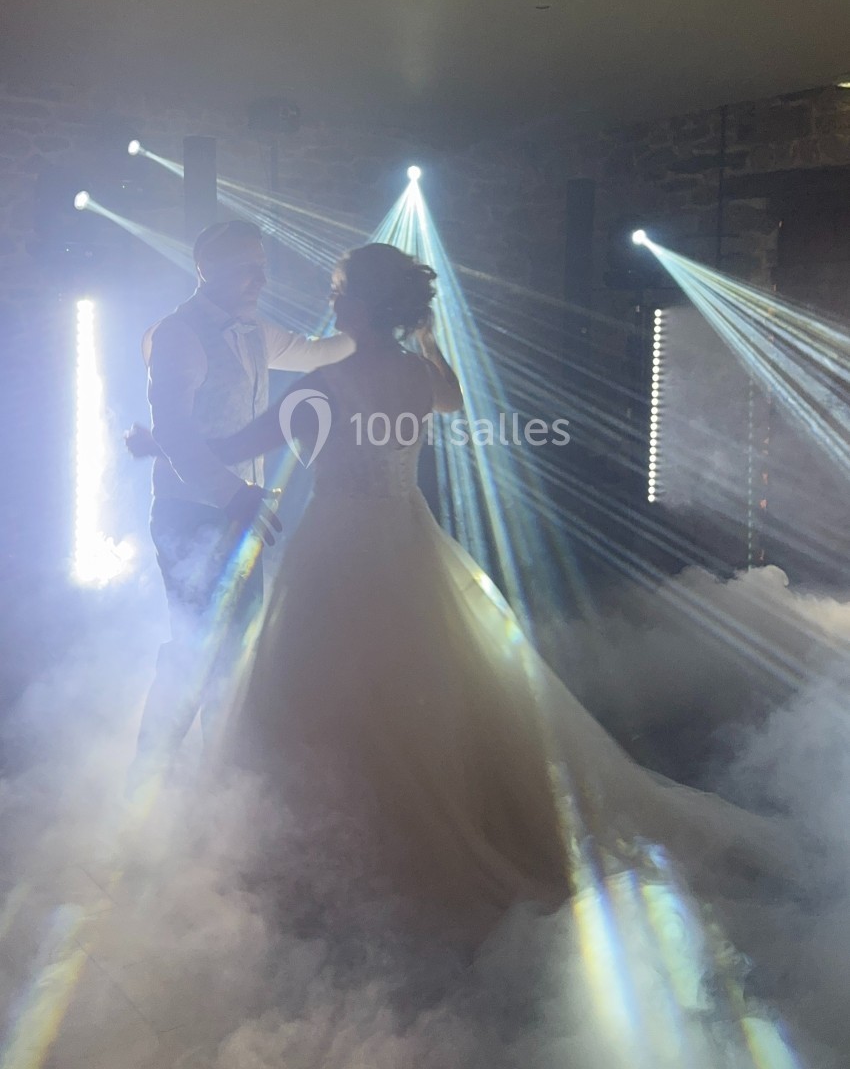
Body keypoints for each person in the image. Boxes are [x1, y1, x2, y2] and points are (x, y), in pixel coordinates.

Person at [197, 242, 805, 939]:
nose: (330, 300)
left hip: (335, 548)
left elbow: (240, 443)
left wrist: (163, 441)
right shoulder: (420, 380)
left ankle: (315, 851)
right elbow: (453, 395)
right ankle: (397, 831)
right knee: (427, 690)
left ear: (362, 302)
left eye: (338, 290)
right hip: (407, 544)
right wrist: (426, 339)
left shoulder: (320, 382)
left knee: (313, 688)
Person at [129, 219, 354, 786]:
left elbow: (312, 352)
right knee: (194, 649)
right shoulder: (180, 334)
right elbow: (174, 433)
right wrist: (234, 496)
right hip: (191, 514)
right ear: (207, 268)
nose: (260, 277)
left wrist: (373, 329)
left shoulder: (254, 329)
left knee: (235, 649)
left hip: (241, 514)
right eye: (245, 266)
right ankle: (148, 783)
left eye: (262, 265)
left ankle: (218, 782)